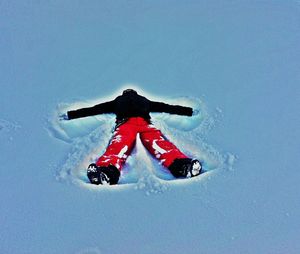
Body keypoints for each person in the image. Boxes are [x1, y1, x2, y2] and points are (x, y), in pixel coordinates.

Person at [60, 89, 202, 185]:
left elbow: (94, 109)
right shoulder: (144, 100)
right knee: (160, 145)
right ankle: (183, 166)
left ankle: (107, 172)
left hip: (126, 125)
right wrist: (189, 111)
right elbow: (166, 107)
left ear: (124, 93)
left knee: (118, 147)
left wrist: (71, 114)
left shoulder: (117, 101)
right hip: (145, 124)